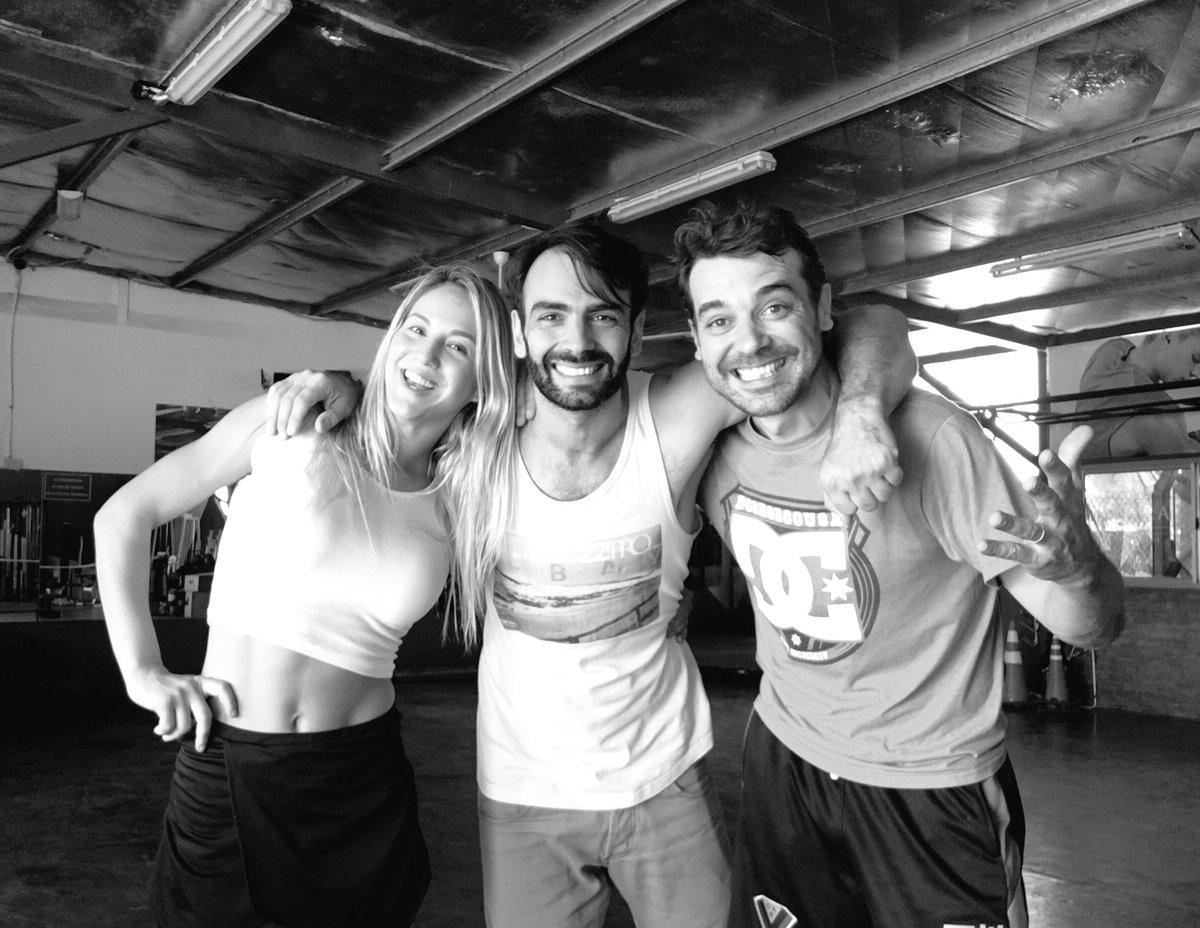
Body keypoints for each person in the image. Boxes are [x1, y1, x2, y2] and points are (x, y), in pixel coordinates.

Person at [267, 221, 916, 928]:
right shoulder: (476, 435)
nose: (576, 342)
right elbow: (407, 393)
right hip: (522, 795)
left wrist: (861, 411)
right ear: (519, 333)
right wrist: (343, 385)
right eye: (551, 316)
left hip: (665, 779)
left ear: (635, 329)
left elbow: (870, 323)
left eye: (602, 315)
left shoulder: (676, 414)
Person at [675, 199, 1126, 928]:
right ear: (697, 340)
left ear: (823, 309)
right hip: (784, 761)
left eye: (775, 306)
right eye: (719, 319)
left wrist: (1078, 571)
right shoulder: (710, 444)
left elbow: (1091, 626)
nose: (749, 341)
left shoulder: (934, 440)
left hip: (930, 787)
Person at [93, 266, 518, 928]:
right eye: (416, 329)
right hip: (229, 758)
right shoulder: (292, 422)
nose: (428, 354)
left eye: (459, 346)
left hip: (360, 782)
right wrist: (142, 670)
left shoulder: (463, 495)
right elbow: (124, 515)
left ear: (483, 382)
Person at [1075, 329, 1200, 460]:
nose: (1197, 374)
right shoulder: (1159, 411)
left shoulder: (1113, 349)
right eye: (1196, 358)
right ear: (1169, 337)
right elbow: (1189, 461)